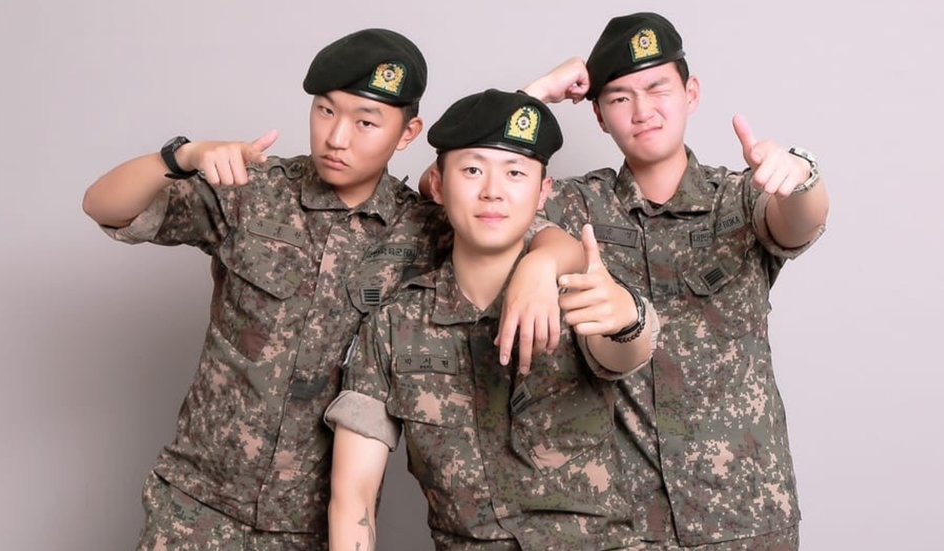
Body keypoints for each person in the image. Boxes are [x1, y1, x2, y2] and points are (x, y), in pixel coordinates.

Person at [82, 29, 580, 551]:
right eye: (325, 111)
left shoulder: (424, 229)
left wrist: (542, 263)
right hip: (197, 506)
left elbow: (504, 195)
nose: (337, 137)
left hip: (318, 525)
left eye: (365, 121)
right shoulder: (255, 192)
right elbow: (103, 205)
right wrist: (182, 155)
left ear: (408, 132)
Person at [519, 12, 830, 551]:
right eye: (619, 98)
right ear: (597, 117)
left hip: (747, 516)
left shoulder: (740, 197)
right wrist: (533, 95)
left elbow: (799, 220)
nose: (642, 111)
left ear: (691, 93)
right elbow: (469, 181)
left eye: (657, 88)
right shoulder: (577, 205)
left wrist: (800, 177)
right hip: (622, 526)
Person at [325, 89, 659, 551]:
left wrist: (628, 318)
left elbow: (625, 348)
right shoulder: (392, 327)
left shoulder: (578, 288)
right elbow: (353, 498)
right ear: (438, 185)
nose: (493, 191)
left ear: (543, 192)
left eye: (515, 173)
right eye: (473, 169)